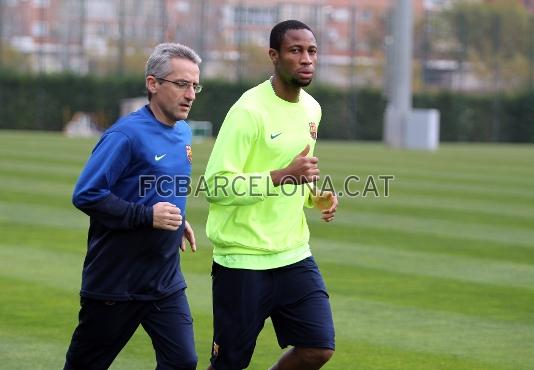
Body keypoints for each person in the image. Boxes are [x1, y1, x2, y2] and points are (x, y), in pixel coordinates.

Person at [203, 20, 338, 370]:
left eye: (312, 51)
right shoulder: (248, 111)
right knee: (229, 363)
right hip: (243, 259)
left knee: (318, 347)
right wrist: (281, 177)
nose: (306, 59)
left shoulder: (312, 109)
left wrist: (315, 196)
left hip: (294, 255)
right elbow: (216, 186)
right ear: (274, 56)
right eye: (296, 51)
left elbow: (298, 172)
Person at [63, 43, 202, 370]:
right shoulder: (124, 135)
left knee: (183, 362)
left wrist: (178, 219)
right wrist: (147, 215)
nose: (191, 94)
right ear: (153, 84)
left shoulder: (183, 132)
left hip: (164, 281)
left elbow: (159, 187)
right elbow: (86, 193)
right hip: (116, 282)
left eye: (195, 86)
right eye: (182, 84)